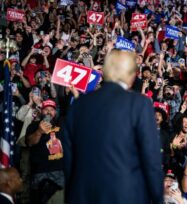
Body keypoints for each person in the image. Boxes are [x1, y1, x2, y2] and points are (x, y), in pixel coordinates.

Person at [62, 50, 163, 204]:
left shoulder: (79, 105)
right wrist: (157, 198)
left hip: (82, 196)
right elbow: (151, 159)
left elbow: (69, 159)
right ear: (131, 75)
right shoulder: (140, 104)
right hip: (125, 196)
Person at [25, 99, 64, 204]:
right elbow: (30, 142)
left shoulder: (61, 124)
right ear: (41, 111)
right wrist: (39, 131)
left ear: (55, 112)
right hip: (40, 171)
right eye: (46, 109)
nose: (49, 112)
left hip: (59, 171)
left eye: (52, 110)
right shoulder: (33, 126)